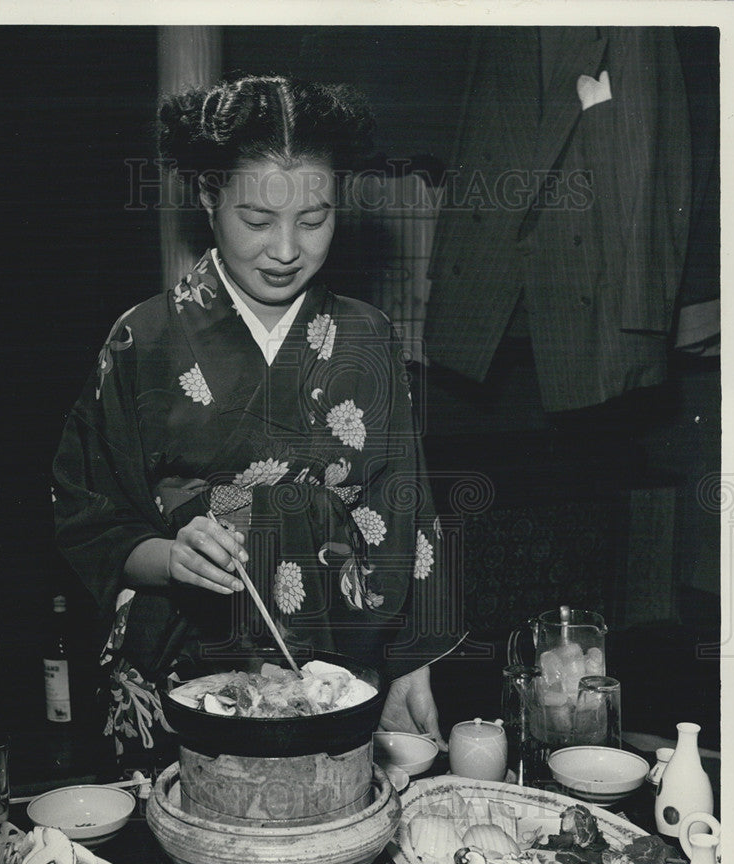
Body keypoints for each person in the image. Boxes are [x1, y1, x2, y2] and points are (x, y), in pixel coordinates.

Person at [52, 74, 460, 768]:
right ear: (208, 198)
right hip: (183, 673)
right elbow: (92, 521)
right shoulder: (142, 340)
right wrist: (174, 557)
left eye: (314, 218)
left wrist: (410, 665)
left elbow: (404, 511)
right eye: (256, 219)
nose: (285, 249)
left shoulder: (368, 338)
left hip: (340, 672)